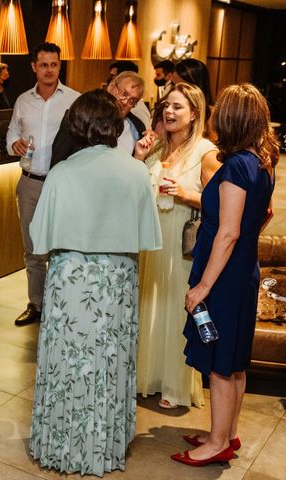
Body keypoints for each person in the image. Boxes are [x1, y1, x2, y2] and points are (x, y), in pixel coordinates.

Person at [28, 89, 162, 476]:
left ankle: (61, 443)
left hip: (70, 278)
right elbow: (148, 237)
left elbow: (40, 238)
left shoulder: (62, 172)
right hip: (116, 279)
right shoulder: (136, 171)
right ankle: (103, 444)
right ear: (115, 126)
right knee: (107, 360)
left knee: (68, 362)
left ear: (78, 126)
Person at [173, 84, 277, 467]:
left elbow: (228, 231)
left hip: (225, 276)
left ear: (231, 119)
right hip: (243, 269)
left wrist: (202, 286)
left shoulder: (235, 166)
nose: (213, 116)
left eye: (218, 111)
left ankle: (217, 443)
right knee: (234, 361)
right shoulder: (262, 160)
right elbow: (261, 217)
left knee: (220, 364)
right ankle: (227, 433)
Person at [135, 83, 220, 409]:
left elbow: (221, 203)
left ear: (195, 113)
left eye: (178, 107)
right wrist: (139, 157)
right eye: (167, 106)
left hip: (180, 244)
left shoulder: (205, 152)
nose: (169, 112)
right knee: (149, 306)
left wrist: (184, 194)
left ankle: (173, 384)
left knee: (173, 310)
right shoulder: (156, 148)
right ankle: (148, 376)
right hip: (152, 242)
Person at [6, 42, 80, 327]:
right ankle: (36, 304)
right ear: (34, 67)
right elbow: (12, 131)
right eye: (43, 64)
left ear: (59, 66)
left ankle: (63, 305)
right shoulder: (23, 100)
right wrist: (15, 142)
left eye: (54, 64)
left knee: (62, 247)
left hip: (64, 185)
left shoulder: (75, 100)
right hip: (30, 183)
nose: (49, 69)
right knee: (33, 249)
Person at [51, 71, 150, 166]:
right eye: (124, 94)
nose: (125, 102)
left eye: (132, 100)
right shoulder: (79, 116)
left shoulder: (137, 129)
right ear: (111, 86)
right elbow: (58, 160)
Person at [170, 58, 215, 139]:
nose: (176, 89)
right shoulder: (168, 108)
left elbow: (214, 144)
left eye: (183, 85)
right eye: (173, 84)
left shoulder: (210, 113)